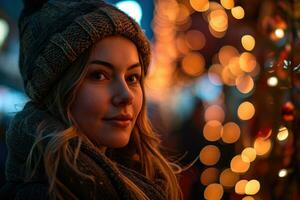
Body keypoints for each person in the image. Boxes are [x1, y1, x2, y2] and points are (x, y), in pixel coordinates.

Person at [0, 0, 182, 199]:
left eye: (132, 78)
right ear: (56, 89)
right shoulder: (42, 194)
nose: (126, 95)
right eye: (99, 75)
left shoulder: (143, 174)